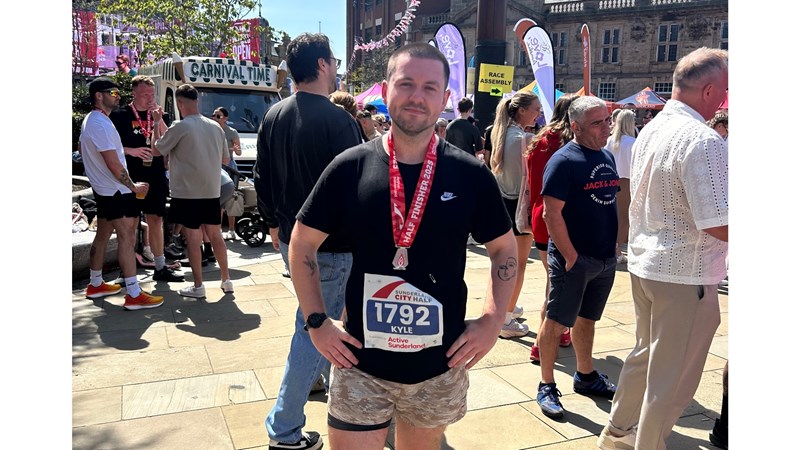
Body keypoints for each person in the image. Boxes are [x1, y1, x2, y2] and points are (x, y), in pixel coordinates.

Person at [289, 42, 517, 450]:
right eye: (406, 83)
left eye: (430, 87)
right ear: (385, 89)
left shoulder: (470, 174)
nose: (417, 96)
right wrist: (316, 322)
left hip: (438, 367)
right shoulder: (350, 166)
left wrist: (493, 318)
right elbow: (302, 243)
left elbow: (505, 249)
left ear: (445, 98)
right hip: (360, 363)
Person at [597, 47, 728, 450]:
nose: (725, 99)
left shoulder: (651, 129)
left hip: (647, 264)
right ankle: (646, 443)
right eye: (725, 90)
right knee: (672, 376)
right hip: (684, 272)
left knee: (644, 356)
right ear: (709, 91)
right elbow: (717, 222)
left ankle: (617, 433)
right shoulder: (704, 139)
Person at [254, 32, 362, 450]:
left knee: (311, 317)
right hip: (330, 246)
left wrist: (273, 223)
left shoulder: (273, 115)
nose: (336, 69)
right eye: (333, 61)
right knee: (315, 326)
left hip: (292, 238)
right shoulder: (339, 120)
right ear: (321, 65)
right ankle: (284, 429)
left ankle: (315, 380)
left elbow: (261, 177)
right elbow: (358, 187)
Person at [536, 95, 619, 420]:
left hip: (603, 258)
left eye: (607, 120)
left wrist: (616, 244)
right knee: (556, 321)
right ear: (576, 127)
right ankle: (546, 384)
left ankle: (585, 376)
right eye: (597, 123)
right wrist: (570, 256)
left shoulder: (607, 156)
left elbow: (610, 202)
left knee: (588, 319)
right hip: (574, 259)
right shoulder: (563, 161)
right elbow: (551, 213)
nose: (606, 128)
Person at [80, 77, 163, 310]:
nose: (117, 96)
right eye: (113, 92)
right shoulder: (100, 123)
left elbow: (85, 151)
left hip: (105, 190)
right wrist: (133, 186)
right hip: (117, 191)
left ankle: (96, 283)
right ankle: (134, 294)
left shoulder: (93, 120)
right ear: (99, 96)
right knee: (127, 239)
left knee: (103, 235)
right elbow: (114, 163)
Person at [153, 84, 234, 298]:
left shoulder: (180, 126)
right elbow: (226, 159)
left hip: (187, 192)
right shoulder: (215, 126)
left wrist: (155, 123)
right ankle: (226, 280)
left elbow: (156, 150)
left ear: (179, 103)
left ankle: (198, 286)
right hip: (211, 190)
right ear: (197, 100)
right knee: (216, 235)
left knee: (193, 238)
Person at [110, 75, 185, 282]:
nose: (149, 98)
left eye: (152, 94)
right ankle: (127, 269)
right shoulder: (120, 115)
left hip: (155, 174)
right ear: (134, 93)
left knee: (156, 219)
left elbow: (169, 140)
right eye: (145, 95)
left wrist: (159, 120)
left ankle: (160, 266)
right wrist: (131, 151)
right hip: (130, 175)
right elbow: (110, 147)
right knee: (130, 223)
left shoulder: (158, 114)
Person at [524, 93, 577, 363]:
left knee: (554, 279)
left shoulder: (540, 139)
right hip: (562, 219)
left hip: (539, 215)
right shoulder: (570, 143)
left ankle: (562, 331)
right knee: (558, 285)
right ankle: (541, 342)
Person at [489, 91, 543, 338]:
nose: (538, 114)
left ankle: (504, 308)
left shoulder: (500, 132)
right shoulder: (525, 139)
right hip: (518, 205)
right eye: (536, 109)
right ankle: (506, 318)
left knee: (503, 263)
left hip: (501, 204)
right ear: (521, 110)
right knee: (517, 265)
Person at [605, 108, 636, 264]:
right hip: (626, 181)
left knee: (612, 216)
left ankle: (612, 249)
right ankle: (617, 251)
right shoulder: (632, 142)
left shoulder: (610, 140)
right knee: (624, 218)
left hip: (609, 180)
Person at [212, 107, 242, 240]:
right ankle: (217, 230)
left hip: (229, 167)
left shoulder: (231, 132)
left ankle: (231, 229)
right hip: (214, 166)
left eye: (218, 116)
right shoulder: (211, 130)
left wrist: (233, 149)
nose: (215, 118)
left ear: (225, 118)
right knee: (217, 199)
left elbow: (239, 152)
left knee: (231, 199)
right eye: (214, 115)